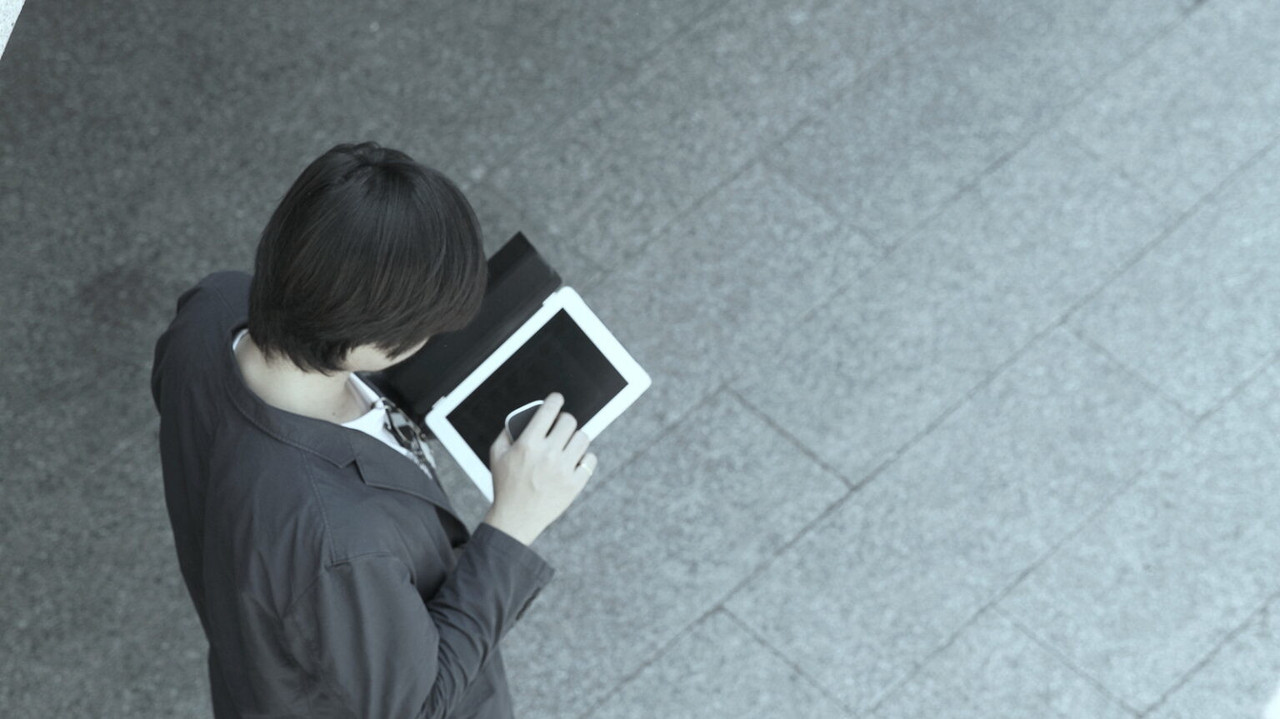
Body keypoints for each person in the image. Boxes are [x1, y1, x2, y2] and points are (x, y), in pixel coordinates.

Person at [151, 141, 597, 718]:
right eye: (424, 329)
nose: (433, 336)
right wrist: (513, 524)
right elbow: (418, 705)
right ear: (362, 343)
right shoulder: (337, 542)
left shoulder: (213, 307)